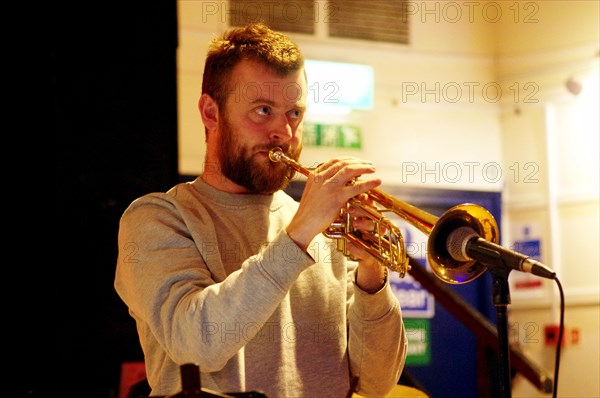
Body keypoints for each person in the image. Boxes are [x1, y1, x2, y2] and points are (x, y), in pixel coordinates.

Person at [114, 22, 407, 398]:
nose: (283, 132)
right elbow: (197, 345)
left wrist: (372, 275)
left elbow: (378, 382)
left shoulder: (322, 228)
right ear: (210, 112)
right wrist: (299, 234)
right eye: (263, 110)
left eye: (294, 113)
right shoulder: (158, 218)